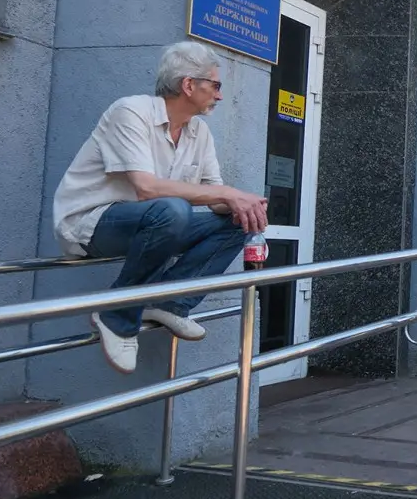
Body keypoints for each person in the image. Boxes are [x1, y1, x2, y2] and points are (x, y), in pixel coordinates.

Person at [54, 42, 267, 374]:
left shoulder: (199, 132)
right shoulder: (131, 112)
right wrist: (226, 193)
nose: (219, 95)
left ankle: (170, 303)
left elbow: (210, 193)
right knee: (172, 209)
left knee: (239, 223)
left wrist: (240, 204)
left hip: (157, 223)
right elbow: (147, 188)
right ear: (188, 85)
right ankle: (117, 315)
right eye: (215, 84)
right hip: (92, 224)